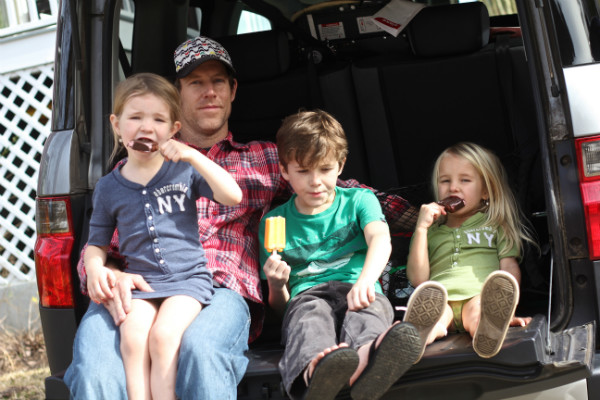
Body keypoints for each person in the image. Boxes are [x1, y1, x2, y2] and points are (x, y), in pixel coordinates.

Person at [64, 36, 418, 399]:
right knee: (96, 369)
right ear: (177, 94)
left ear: (232, 90)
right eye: (196, 82)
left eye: (218, 81)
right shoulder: (132, 171)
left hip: (221, 289)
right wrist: (107, 275)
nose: (209, 92)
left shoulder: (262, 159)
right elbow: (97, 247)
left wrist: (421, 218)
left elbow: (336, 190)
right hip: (140, 289)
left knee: (201, 350)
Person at [259, 110, 443, 400]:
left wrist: (366, 281)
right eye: (303, 171)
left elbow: (380, 238)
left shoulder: (359, 200)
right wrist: (276, 284)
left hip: (358, 286)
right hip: (307, 294)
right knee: (308, 318)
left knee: (369, 312)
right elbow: (282, 310)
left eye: (325, 169)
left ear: (341, 165)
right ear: (284, 170)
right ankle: (315, 373)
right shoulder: (273, 222)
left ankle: (368, 360)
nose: (315, 181)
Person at [83, 73, 242, 400]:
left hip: (188, 280)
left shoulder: (183, 171)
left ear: (173, 130)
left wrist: (193, 155)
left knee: (164, 337)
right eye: (135, 118)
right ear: (116, 124)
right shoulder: (108, 187)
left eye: (158, 119)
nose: (146, 127)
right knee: (133, 340)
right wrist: (96, 268)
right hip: (143, 284)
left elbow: (232, 195)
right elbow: (96, 244)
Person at [405, 142, 534, 358]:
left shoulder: (495, 225)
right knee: (434, 319)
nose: (453, 188)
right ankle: (413, 340)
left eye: (464, 180)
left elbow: (508, 268)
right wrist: (421, 228)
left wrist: (509, 309)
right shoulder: (431, 231)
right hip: (440, 300)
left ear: (485, 192)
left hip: (479, 295)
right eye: (445, 181)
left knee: (479, 314)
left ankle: (489, 330)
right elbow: (418, 280)